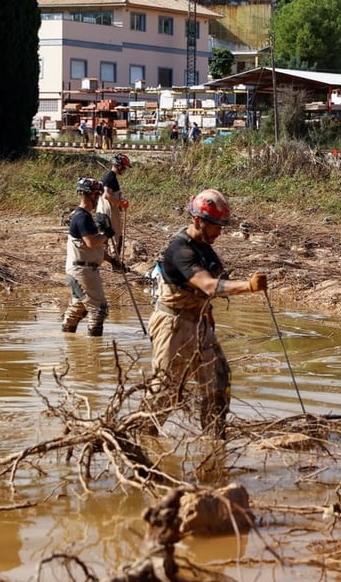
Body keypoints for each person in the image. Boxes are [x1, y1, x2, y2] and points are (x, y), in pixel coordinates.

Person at [141, 188, 267, 439]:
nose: (219, 232)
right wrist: (248, 286)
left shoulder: (205, 248)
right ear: (198, 221)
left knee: (218, 379)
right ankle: (143, 438)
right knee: (166, 389)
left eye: (221, 225)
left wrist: (208, 315)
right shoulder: (180, 250)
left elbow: (211, 287)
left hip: (198, 322)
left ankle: (214, 438)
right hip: (173, 324)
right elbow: (208, 285)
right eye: (215, 225)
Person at [62, 177, 123, 336]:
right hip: (83, 270)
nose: (98, 198)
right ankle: (93, 355)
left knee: (79, 307)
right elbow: (91, 243)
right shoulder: (82, 217)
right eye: (97, 195)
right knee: (98, 309)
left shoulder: (84, 216)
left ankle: (67, 339)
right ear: (92, 196)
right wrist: (106, 234)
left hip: (80, 268)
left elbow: (93, 250)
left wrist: (113, 261)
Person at [96, 153, 130, 259]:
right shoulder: (110, 176)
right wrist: (120, 203)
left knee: (104, 236)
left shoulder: (109, 176)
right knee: (116, 237)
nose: (124, 170)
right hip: (109, 211)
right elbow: (107, 195)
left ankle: (103, 259)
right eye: (124, 168)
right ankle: (116, 262)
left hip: (102, 210)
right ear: (119, 166)